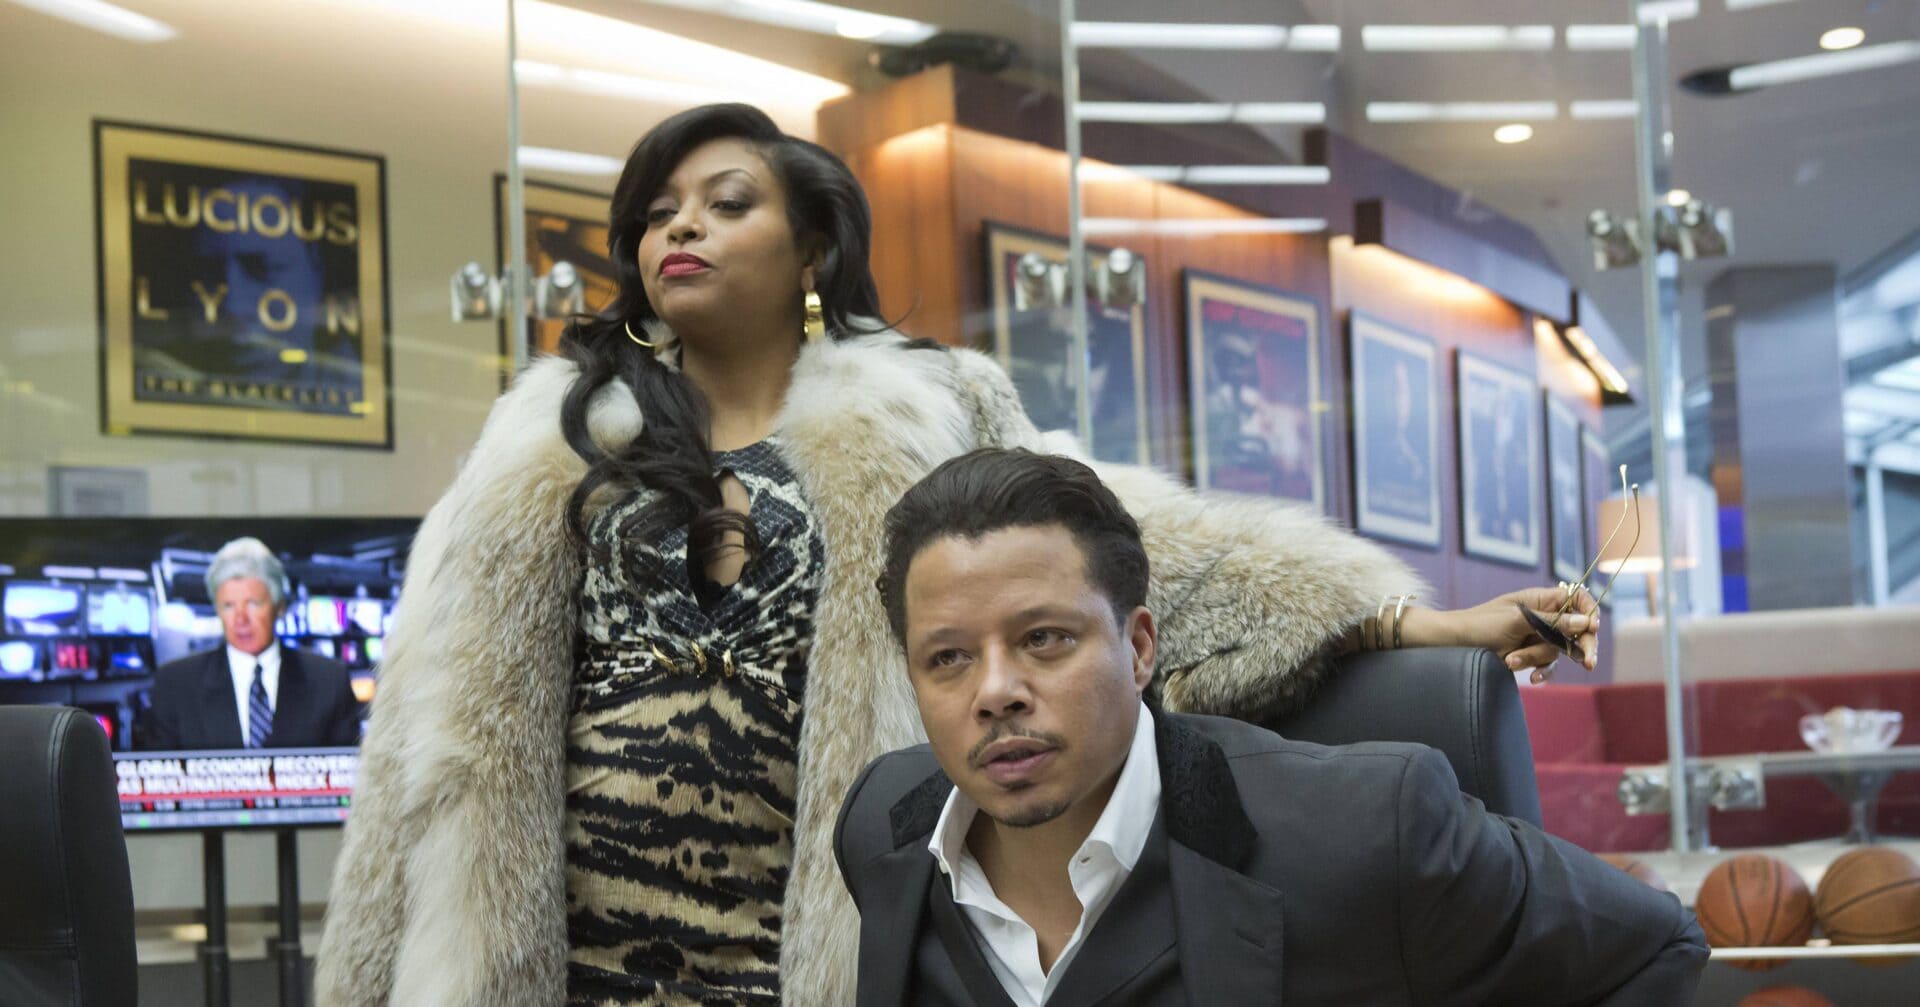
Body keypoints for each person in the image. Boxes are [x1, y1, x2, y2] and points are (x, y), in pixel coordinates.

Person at [314, 103, 1598, 1007]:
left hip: (808, 944)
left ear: (813, 246)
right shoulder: (542, 447)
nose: (678, 230)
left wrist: (1399, 620)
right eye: (656, 215)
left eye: (725, 203)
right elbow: (426, 748)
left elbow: (1118, 553)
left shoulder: (926, 411)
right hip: (572, 952)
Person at [837, 448, 1705, 1006]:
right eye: (948, 657)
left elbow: (1654, 947)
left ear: (1139, 648)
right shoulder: (884, 826)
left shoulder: (1369, 829)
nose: (995, 691)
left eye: (1044, 640)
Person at [142, 537, 362, 750]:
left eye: (253, 604)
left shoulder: (329, 681)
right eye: (229, 606)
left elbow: (352, 770)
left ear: (279, 607)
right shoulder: (175, 685)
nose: (241, 620)